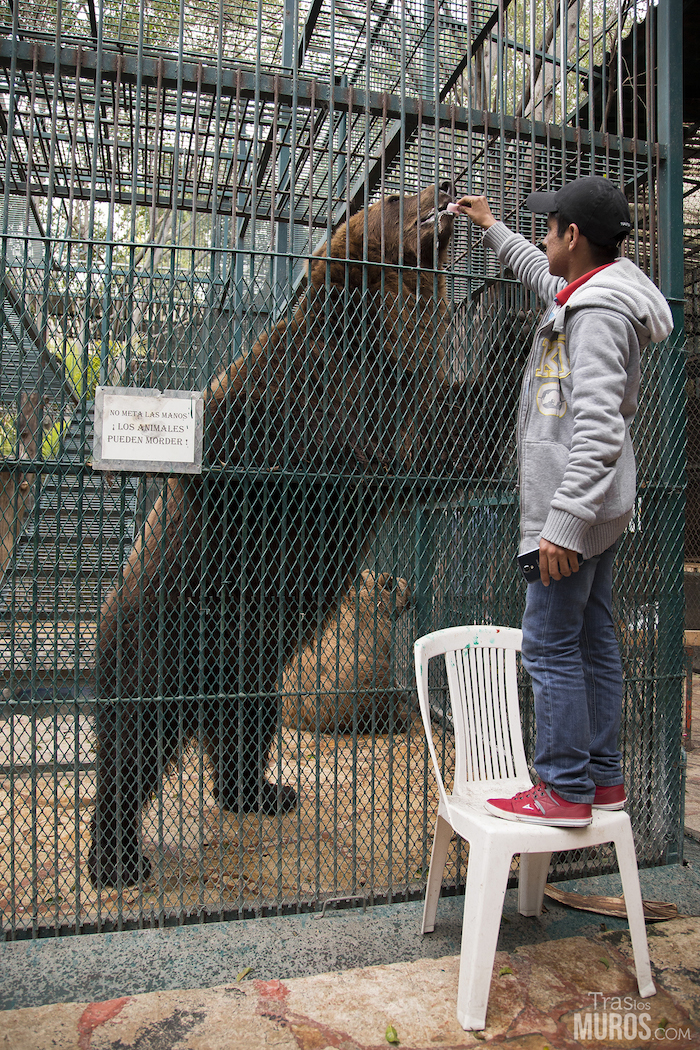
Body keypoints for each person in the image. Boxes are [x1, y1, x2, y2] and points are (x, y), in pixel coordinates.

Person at [456, 175, 674, 827]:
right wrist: (492, 226)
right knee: (592, 640)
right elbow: (541, 275)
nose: (544, 237)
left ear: (573, 237)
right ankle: (602, 779)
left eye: (549, 228)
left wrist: (563, 526)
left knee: (550, 647)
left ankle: (564, 788)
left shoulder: (600, 313)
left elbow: (600, 426)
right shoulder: (586, 293)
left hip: (570, 517)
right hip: (593, 513)